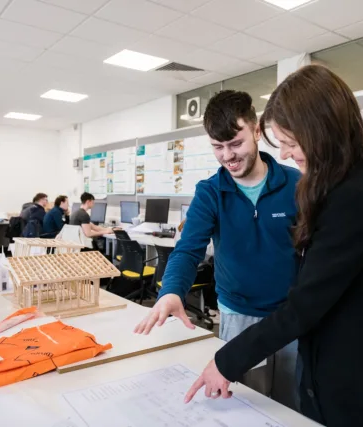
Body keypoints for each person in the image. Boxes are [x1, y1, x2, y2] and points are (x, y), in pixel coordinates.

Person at [184, 65, 363, 427]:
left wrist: (225, 362)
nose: (288, 154)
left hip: (355, 371)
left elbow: (307, 304)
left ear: (321, 129)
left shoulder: (355, 195)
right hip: (355, 353)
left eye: (292, 143)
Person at [135, 90, 301, 409]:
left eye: (235, 143)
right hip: (238, 315)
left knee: (290, 405)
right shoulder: (211, 192)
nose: (228, 156)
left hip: (291, 317)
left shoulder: (295, 184)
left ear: (256, 130)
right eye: (217, 147)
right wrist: (171, 292)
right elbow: (188, 249)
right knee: (242, 405)